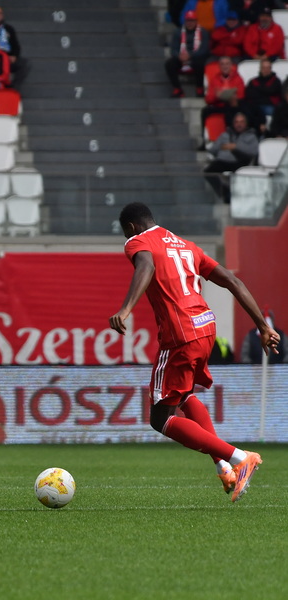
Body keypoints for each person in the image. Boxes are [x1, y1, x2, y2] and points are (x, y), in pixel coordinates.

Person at [110, 202, 277, 502]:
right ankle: (223, 467)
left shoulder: (138, 242)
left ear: (132, 228)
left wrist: (125, 309)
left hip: (180, 333)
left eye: (126, 233)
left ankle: (239, 457)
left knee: (160, 418)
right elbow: (233, 281)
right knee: (184, 396)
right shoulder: (187, 246)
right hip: (205, 325)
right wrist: (262, 326)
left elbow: (146, 265)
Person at [203, 111, 258, 202]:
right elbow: (213, 150)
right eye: (236, 122)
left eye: (241, 122)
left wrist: (236, 147)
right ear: (233, 123)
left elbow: (253, 152)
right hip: (223, 161)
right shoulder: (225, 135)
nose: (239, 124)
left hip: (240, 162)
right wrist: (220, 146)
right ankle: (223, 190)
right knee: (208, 171)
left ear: (246, 123)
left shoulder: (251, 136)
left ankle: (230, 195)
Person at [164, 10, 211, 98]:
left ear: (196, 21)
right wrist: (179, 56)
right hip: (181, 57)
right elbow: (173, 49)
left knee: (200, 63)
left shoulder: (203, 32)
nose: (190, 23)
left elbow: (204, 50)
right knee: (169, 64)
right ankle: (177, 88)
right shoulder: (178, 32)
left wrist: (190, 55)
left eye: (192, 21)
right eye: (188, 21)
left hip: (196, 57)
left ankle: (199, 87)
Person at [199, 55, 245, 135]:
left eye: (227, 64)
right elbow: (208, 98)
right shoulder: (215, 79)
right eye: (222, 64)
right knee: (205, 111)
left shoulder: (238, 79)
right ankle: (203, 138)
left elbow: (241, 95)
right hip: (218, 104)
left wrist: (233, 97)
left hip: (232, 105)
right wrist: (216, 96)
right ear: (219, 66)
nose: (225, 66)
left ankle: (232, 136)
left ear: (231, 65)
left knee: (234, 110)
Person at [245, 58, 283, 131]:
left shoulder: (276, 81)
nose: (266, 70)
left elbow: (275, 92)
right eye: (264, 68)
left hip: (270, 106)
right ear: (260, 68)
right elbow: (250, 95)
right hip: (255, 106)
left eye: (268, 68)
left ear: (271, 69)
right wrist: (266, 93)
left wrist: (259, 91)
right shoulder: (253, 81)